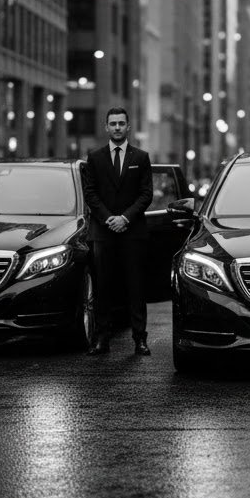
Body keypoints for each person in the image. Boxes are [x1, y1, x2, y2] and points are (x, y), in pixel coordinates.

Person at [82, 106, 154, 356]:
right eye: (112, 124)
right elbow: (90, 193)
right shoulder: (95, 157)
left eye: (121, 123)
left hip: (133, 232)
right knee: (103, 287)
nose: (117, 128)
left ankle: (140, 339)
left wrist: (125, 218)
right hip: (103, 233)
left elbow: (146, 194)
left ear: (128, 127)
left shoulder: (141, 158)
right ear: (106, 127)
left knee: (136, 287)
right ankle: (102, 339)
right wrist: (108, 219)